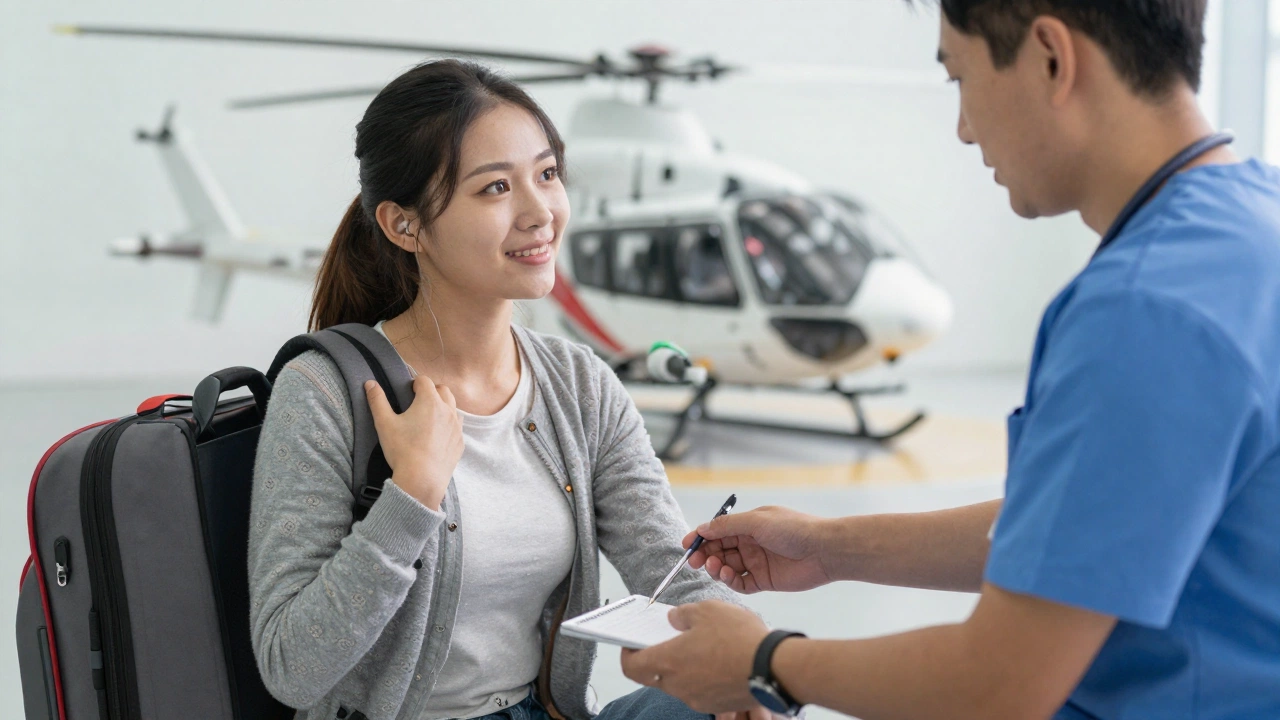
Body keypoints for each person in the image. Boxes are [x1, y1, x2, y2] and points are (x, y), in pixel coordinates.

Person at [620, 2, 1280, 718]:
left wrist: (760, 662)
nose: (964, 129)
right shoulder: (1251, 224)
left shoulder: (1141, 311)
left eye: (960, 79)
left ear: (1052, 57)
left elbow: (997, 685)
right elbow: (1085, 525)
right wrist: (828, 547)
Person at [248, 59, 769, 720]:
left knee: (758, 697)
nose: (540, 213)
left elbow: (669, 562)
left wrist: (759, 662)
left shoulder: (578, 385)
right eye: (495, 188)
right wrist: (412, 495)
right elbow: (291, 667)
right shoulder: (322, 394)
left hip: (542, 711)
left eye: (547, 174)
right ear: (403, 225)